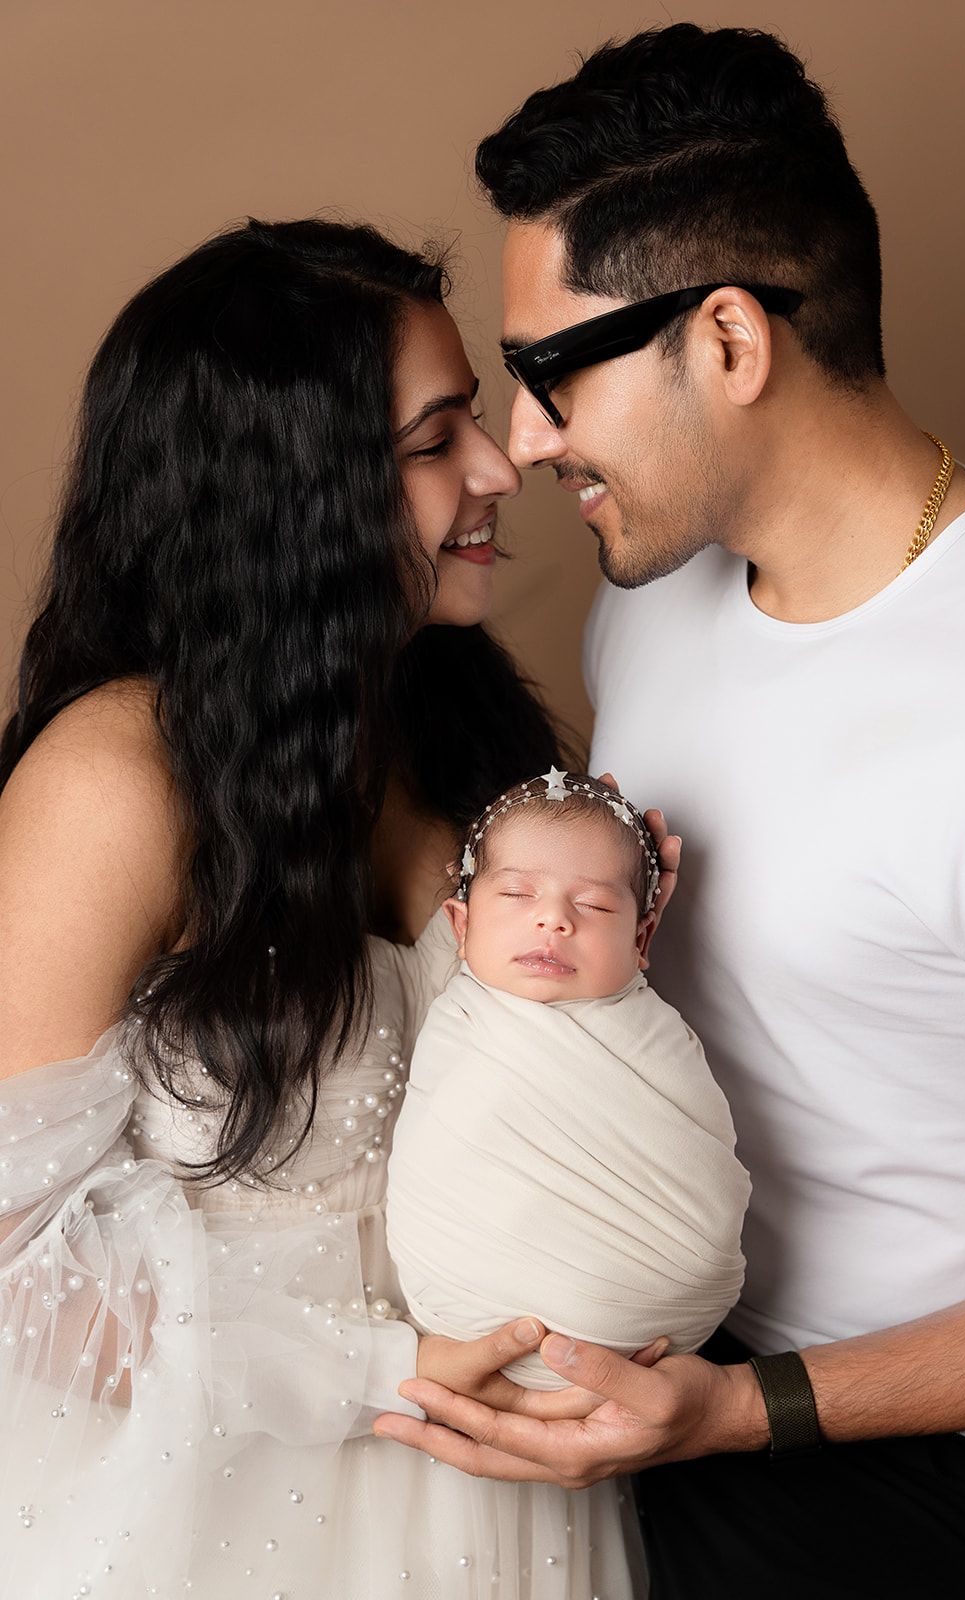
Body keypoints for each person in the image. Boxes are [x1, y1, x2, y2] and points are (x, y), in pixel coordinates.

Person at [372, 25, 965, 1598]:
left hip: (957, 1451)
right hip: (664, 1333)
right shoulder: (656, 595)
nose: (522, 441)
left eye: (553, 372)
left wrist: (741, 1413)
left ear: (729, 341)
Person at [0, 216, 653, 1600]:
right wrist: (379, 1372)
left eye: (471, 418)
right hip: (221, 1510)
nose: (498, 468)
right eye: (432, 442)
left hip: (507, 1496)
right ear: (285, 488)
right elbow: (10, 1269)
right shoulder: (115, 781)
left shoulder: (463, 736)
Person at [387, 771, 748, 1389]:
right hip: (461, 1315)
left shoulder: (654, 1037)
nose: (553, 919)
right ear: (460, 926)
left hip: (654, 1326)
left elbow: (694, 1164)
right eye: (516, 894)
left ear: (642, 936)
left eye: (596, 906)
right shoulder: (456, 1018)